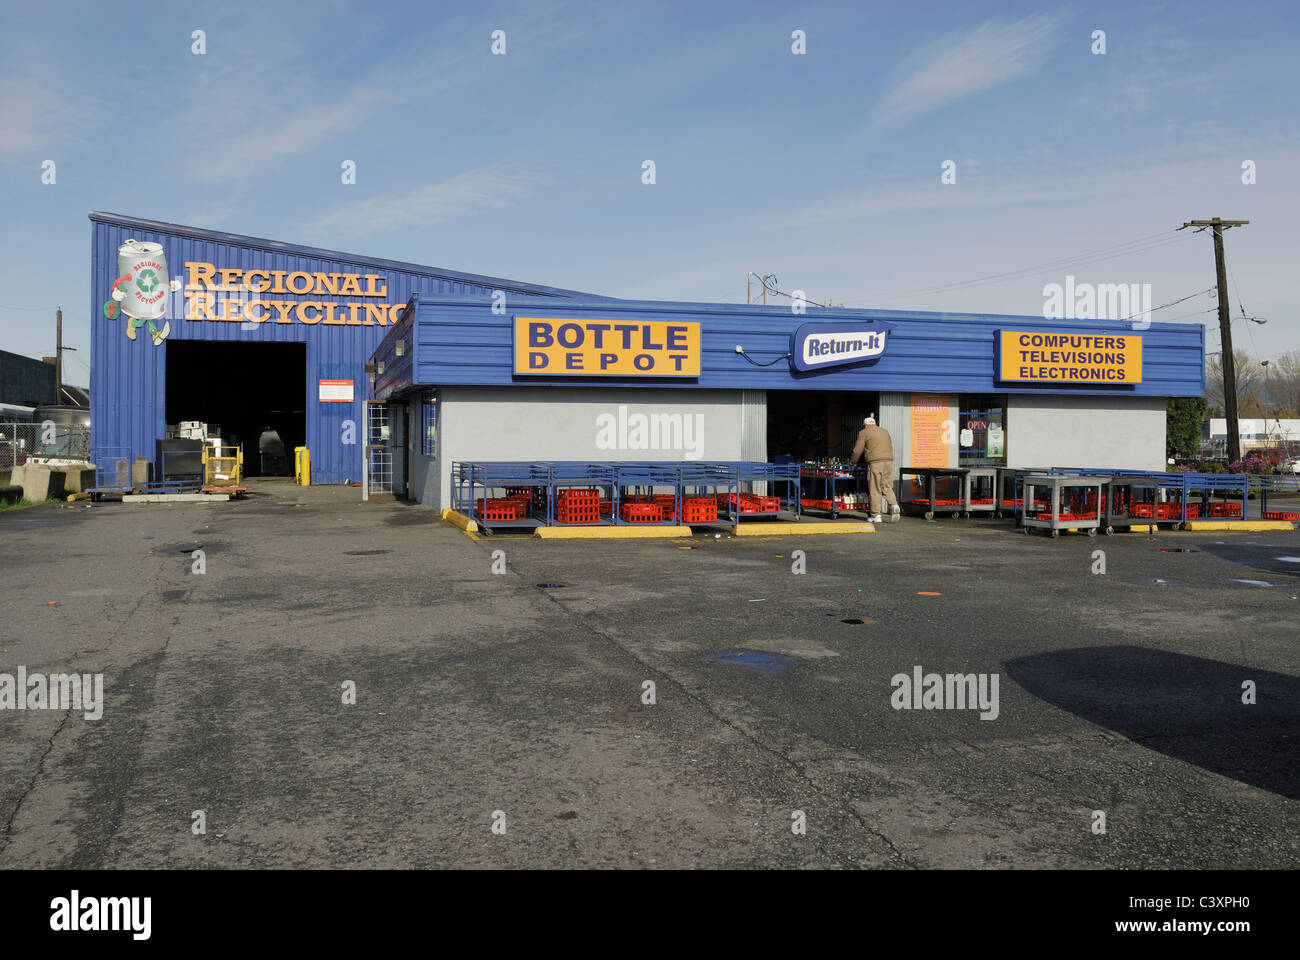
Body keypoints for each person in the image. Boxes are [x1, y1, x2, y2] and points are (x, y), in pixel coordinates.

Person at [850, 415, 899, 523]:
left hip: (876, 463)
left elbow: (857, 450)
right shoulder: (884, 431)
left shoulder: (864, 432)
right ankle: (894, 505)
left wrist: (853, 462)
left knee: (875, 488)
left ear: (865, 425)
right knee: (886, 486)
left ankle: (876, 515)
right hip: (888, 462)